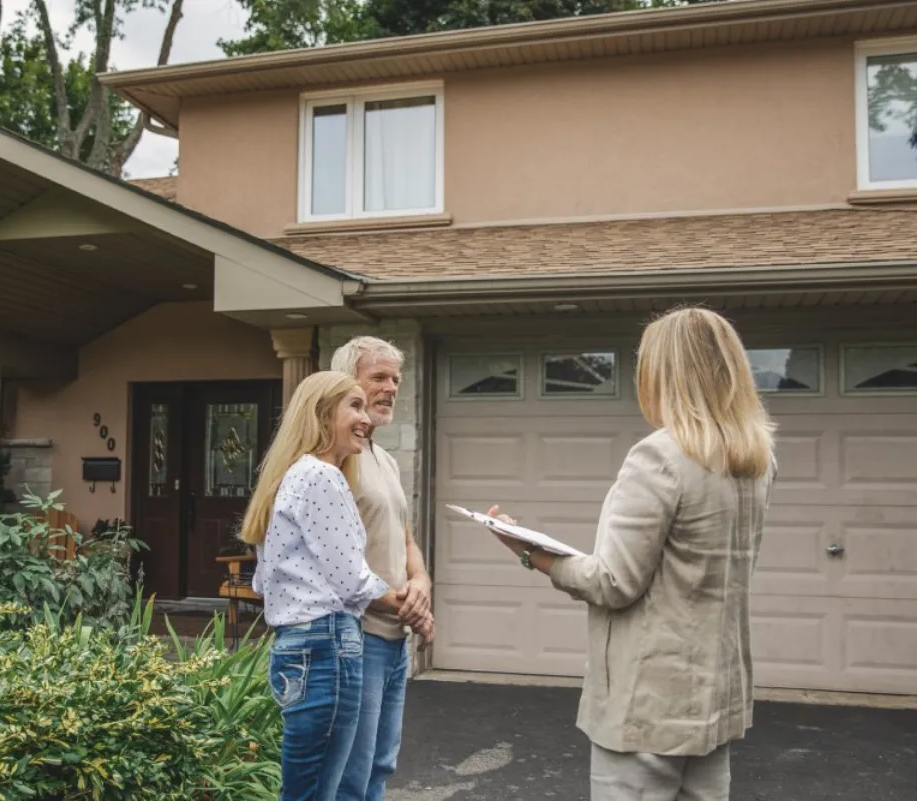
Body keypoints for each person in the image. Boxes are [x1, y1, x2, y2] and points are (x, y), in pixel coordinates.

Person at [487, 306, 777, 801]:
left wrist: (528, 550)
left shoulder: (660, 456)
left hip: (650, 703)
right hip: (715, 695)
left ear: (664, 373)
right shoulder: (755, 459)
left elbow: (612, 583)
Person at [241, 370, 407, 801]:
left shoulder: (290, 476)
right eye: (353, 406)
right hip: (327, 647)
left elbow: (264, 580)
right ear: (320, 415)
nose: (365, 418)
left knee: (303, 790)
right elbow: (353, 580)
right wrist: (406, 605)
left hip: (294, 646)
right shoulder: (322, 476)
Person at [328, 336, 434, 801]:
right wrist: (408, 608)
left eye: (396, 378)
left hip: (393, 640)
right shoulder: (335, 459)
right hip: (357, 637)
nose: (391, 388)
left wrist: (422, 583)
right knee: (351, 772)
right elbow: (336, 563)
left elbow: (405, 536)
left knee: (380, 764)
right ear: (347, 384)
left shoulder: (384, 458)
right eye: (379, 378)